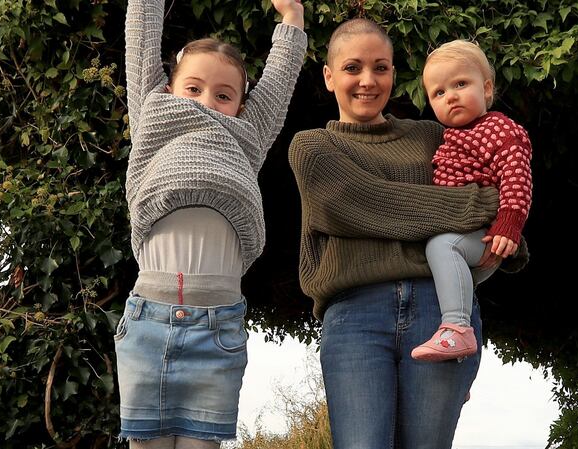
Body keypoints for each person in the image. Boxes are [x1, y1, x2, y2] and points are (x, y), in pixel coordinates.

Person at [288, 19, 526, 449]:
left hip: (441, 312)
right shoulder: (312, 147)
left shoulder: (432, 135)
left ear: (394, 74)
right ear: (328, 76)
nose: (367, 80)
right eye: (352, 68)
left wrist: (506, 228)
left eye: (380, 67)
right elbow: (361, 202)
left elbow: (503, 165)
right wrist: (484, 207)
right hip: (355, 316)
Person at [115, 0, 306, 447]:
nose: (207, 101)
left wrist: (292, 17)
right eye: (194, 88)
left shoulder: (247, 134)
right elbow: (140, 42)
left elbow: (276, 84)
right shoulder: (154, 115)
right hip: (149, 318)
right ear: (169, 87)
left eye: (224, 95)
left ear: (240, 106)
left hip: (217, 326)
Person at [410, 40, 532, 362]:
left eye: (460, 84)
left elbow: (516, 176)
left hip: (483, 234)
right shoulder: (450, 135)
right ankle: (457, 368)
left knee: (442, 247)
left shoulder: (498, 129)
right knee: (447, 288)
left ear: (487, 88)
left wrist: (508, 224)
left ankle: (458, 332)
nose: (450, 96)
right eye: (438, 93)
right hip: (468, 234)